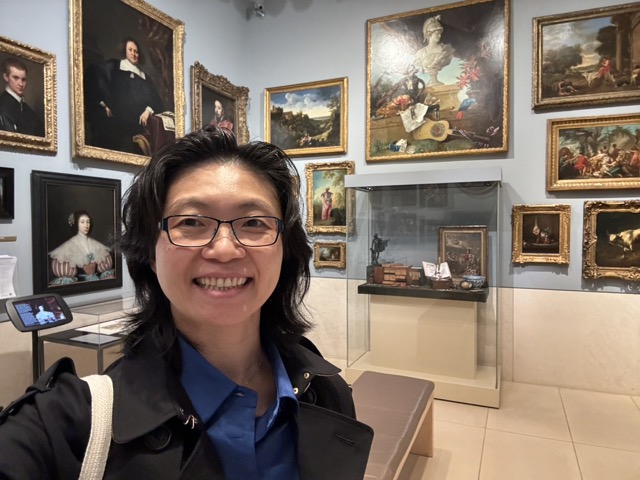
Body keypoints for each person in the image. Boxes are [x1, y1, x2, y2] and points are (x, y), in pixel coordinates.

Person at [0, 125, 373, 478]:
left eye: (254, 223)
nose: (225, 250)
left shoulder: (325, 392)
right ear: (150, 252)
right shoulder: (68, 422)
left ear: (284, 249)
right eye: (191, 223)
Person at [87, 37, 172, 154]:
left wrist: (147, 111)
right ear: (125, 51)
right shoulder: (114, 67)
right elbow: (96, 78)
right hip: (117, 121)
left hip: (139, 124)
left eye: (136, 51)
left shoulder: (145, 76)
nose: (133, 53)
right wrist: (104, 104)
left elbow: (157, 101)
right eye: (130, 50)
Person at [48, 210, 115, 285]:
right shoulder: (66, 249)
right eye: (82, 222)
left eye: (88, 222)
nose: (86, 225)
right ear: (76, 224)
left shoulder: (98, 245)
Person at [0, 57, 44, 136]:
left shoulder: (27, 109)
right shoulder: (3, 105)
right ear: (6, 77)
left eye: (23, 79)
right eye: (16, 78)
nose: (21, 84)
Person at [414, 15, 455, 86]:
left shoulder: (447, 50)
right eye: (437, 34)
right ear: (429, 34)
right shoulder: (420, 53)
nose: (439, 36)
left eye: (440, 33)